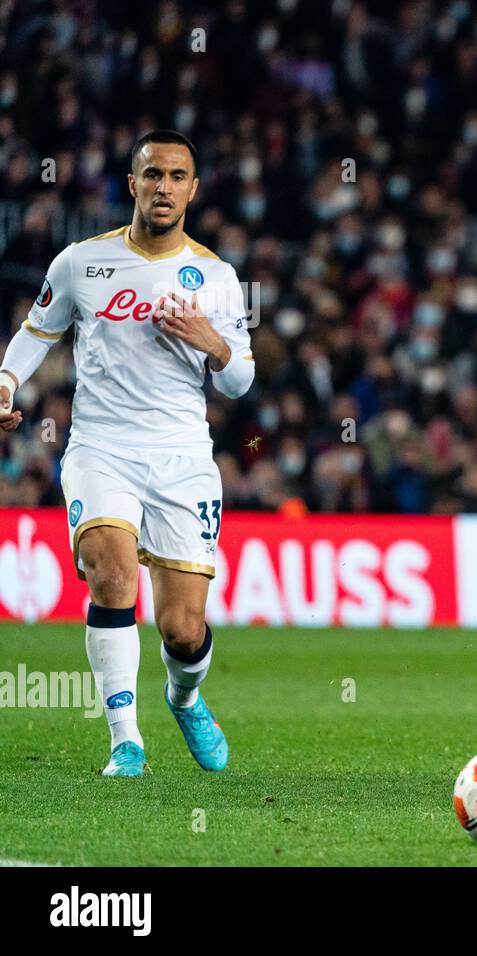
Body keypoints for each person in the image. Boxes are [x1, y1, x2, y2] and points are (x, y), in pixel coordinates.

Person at [0, 130, 255, 777]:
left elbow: (240, 380)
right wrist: (4, 382)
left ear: (193, 189)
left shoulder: (218, 279)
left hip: (182, 460)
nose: (164, 187)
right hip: (100, 449)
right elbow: (36, 333)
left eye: (177, 176)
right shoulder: (81, 264)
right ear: (132, 182)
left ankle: (185, 695)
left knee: (182, 630)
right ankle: (125, 741)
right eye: (153, 175)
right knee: (109, 573)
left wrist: (211, 343)